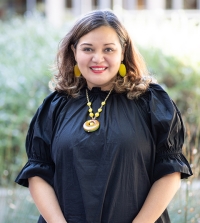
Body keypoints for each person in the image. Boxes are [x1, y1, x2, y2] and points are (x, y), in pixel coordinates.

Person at [15, 10, 193, 223]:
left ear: (123, 51)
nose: (97, 58)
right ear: (74, 51)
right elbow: (38, 173)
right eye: (87, 48)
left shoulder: (152, 102)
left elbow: (169, 172)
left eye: (108, 49)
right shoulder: (54, 105)